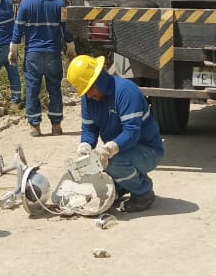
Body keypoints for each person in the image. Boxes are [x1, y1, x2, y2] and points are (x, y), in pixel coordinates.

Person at [67, 54, 164, 213]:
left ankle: (143, 193)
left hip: (148, 151)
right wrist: (85, 146)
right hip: (122, 150)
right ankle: (122, 185)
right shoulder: (89, 98)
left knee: (112, 162)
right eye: (84, 91)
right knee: (97, 164)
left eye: (89, 88)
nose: (88, 95)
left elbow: (132, 132)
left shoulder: (126, 92)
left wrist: (109, 149)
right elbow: (89, 129)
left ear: (99, 80)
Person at [11, 0, 75, 136]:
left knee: (32, 89)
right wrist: (70, 47)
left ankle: (35, 127)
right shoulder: (59, 3)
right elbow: (67, 28)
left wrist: (13, 51)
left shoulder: (25, 5)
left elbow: (18, 30)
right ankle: (56, 126)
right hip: (53, 53)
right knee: (54, 89)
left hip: (33, 55)